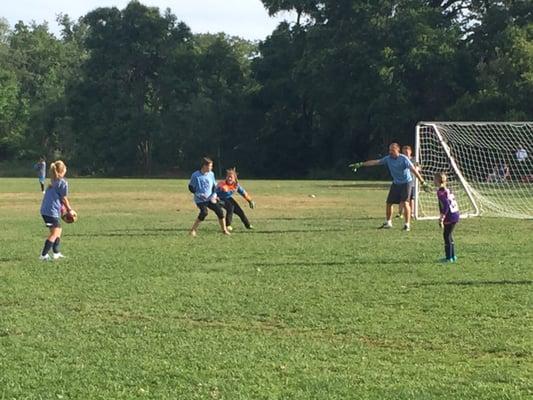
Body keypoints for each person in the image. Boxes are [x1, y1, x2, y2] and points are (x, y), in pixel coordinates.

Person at [350, 142, 430, 231]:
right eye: (389, 150)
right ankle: (389, 223)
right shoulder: (388, 159)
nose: (390, 152)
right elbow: (375, 162)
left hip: (406, 183)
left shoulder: (403, 159)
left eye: (392, 150)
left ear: (397, 150)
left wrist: (423, 182)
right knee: (389, 203)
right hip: (396, 183)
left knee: (406, 203)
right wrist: (361, 164)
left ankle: (407, 225)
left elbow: (414, 170)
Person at [39, 160, 75, 261]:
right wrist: (70, 210)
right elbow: (63, 198)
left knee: (57, 231)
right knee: (55, 232)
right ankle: (43, 255)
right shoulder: (63, 182)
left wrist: (62, 210)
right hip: (51, 211)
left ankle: (56, 253)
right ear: (63, 170)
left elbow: (57, 198)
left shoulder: (53, 181)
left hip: (46, 210)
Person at [188, 157, 230, 237]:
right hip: (200, 200)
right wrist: (198, 194)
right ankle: (193, 230)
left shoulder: (211, 174)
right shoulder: (195, 175)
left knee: (220, 212)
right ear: (204, 166)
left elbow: (214, 186)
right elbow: (191, 187)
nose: (211, 167)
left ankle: (224, 230)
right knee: (204, 212)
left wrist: (214, 195)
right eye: (210, 166)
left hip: (210, 198)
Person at [434, 172, 460, 263]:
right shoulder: (448, 190)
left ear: (437, 181)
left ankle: (449, 258)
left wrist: (442, 217)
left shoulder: (440, 192)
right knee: (449, 235)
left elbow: (445, 205)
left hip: (450, 216)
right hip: (455, 214)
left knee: (446, 235)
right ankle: (452, 256)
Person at [397, 145, 417, 218]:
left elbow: (418, 168)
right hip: (403, 182)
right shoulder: (401, 159)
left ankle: (412, 213)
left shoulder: (414, 159)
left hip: (413, 182)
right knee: (402, 198)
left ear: (410, 152)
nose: (406, 153)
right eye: (404, 152)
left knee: (412, 198)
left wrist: (416, 168)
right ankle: (400, 213)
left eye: (407, 152)